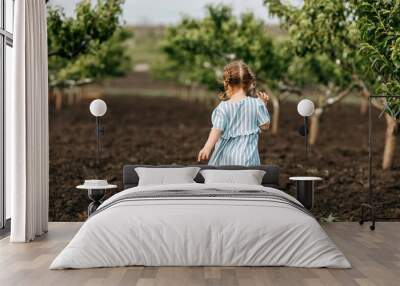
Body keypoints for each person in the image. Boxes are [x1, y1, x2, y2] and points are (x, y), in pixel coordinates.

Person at [198, 61, 270, 166]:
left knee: (225, 181)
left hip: (226, 160)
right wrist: (263, 105)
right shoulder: (257, 104)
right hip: (248, 160)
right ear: (250, 83)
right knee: (247, 181)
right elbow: (265, 126)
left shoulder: (223, 107)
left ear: (227, 83)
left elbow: (216, 130)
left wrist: (207, 147)